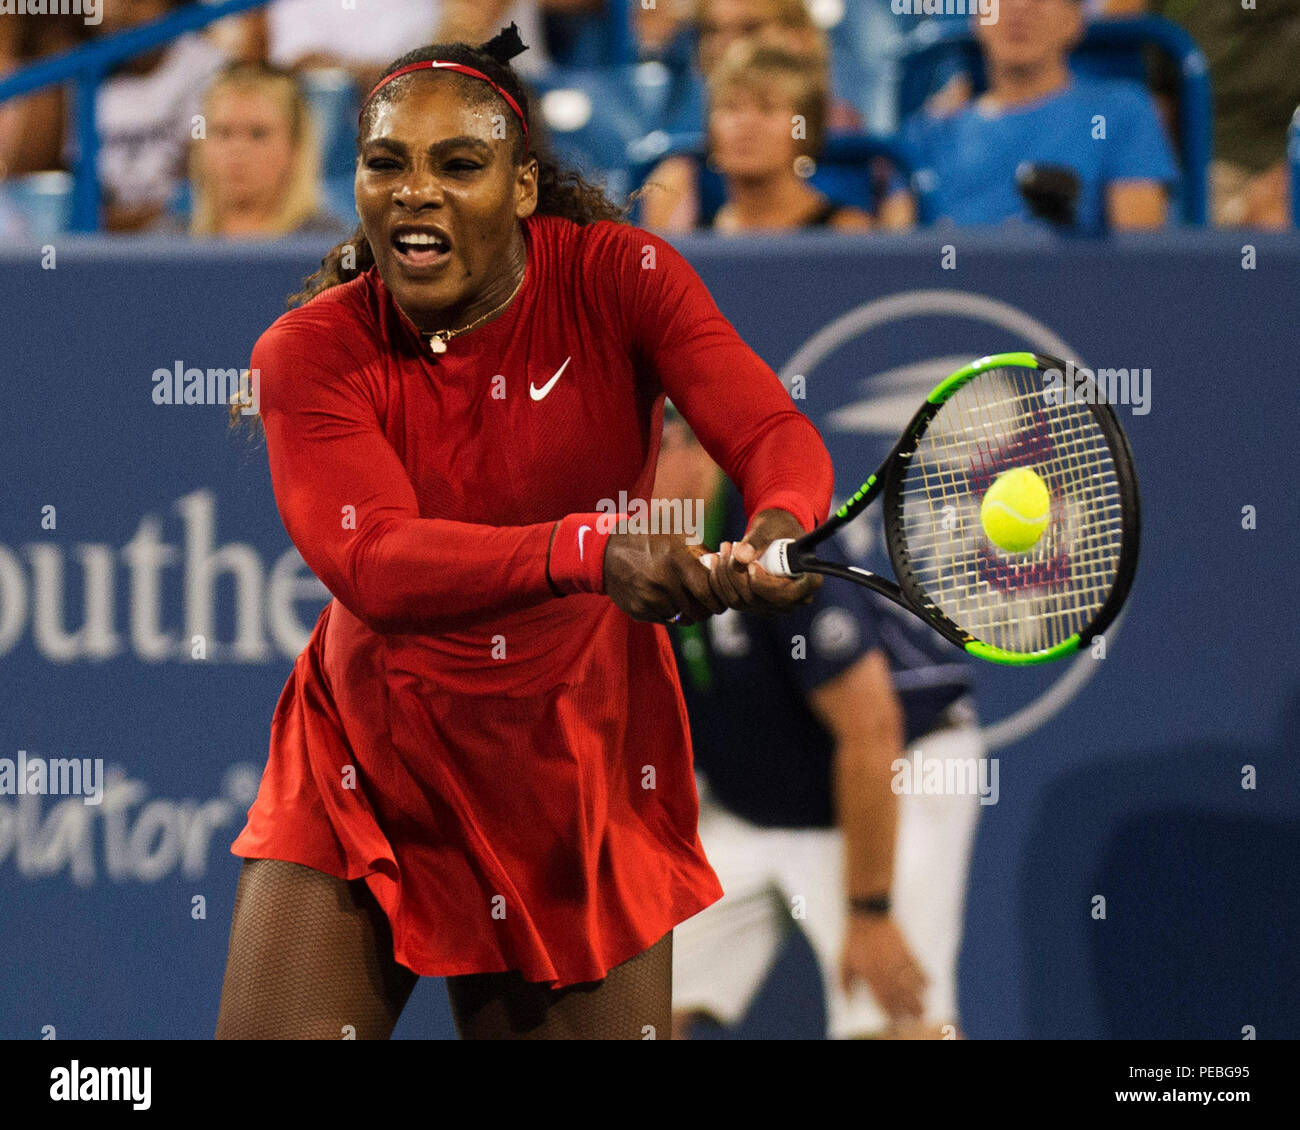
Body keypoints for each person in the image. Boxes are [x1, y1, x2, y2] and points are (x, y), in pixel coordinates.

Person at [214, 23, 834, 1041]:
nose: (415, 190)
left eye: (459, 164)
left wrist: (775, 526)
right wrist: (587, 549)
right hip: (370, 758)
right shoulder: (309, 351)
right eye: (386, 163)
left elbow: (767, 429)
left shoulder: (621, 276)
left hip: (578, 768)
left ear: (521, 189)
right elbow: (373, 560)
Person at [654, 408, 984, 1040]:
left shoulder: (772, 542)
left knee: (894, 1026)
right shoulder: (638, 548)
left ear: (693, 445)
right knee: (633, 1014)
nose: (620, 484)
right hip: (752, 805)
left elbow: (871, 729)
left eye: (642, 454)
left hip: (893, 776)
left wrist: (871, 911)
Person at [901, 0, 1176, 234]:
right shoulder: (926, 132)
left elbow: (1139, 262)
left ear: (1074, 20)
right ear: (978, 16)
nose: (1020, 7)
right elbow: (891, 259)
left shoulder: (1122, 112)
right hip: (952, 294)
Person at [642, 41, 910, 233]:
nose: (746, 124)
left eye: (767, 108)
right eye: (731, 107)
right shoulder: (686, 235)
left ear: (806, 129)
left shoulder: (847, 235)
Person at [186, 63, 350, 239]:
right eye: (223, 133)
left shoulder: (328, 243)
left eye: (258, 134)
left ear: (295, 148)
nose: (237, 149)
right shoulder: (169, 240)